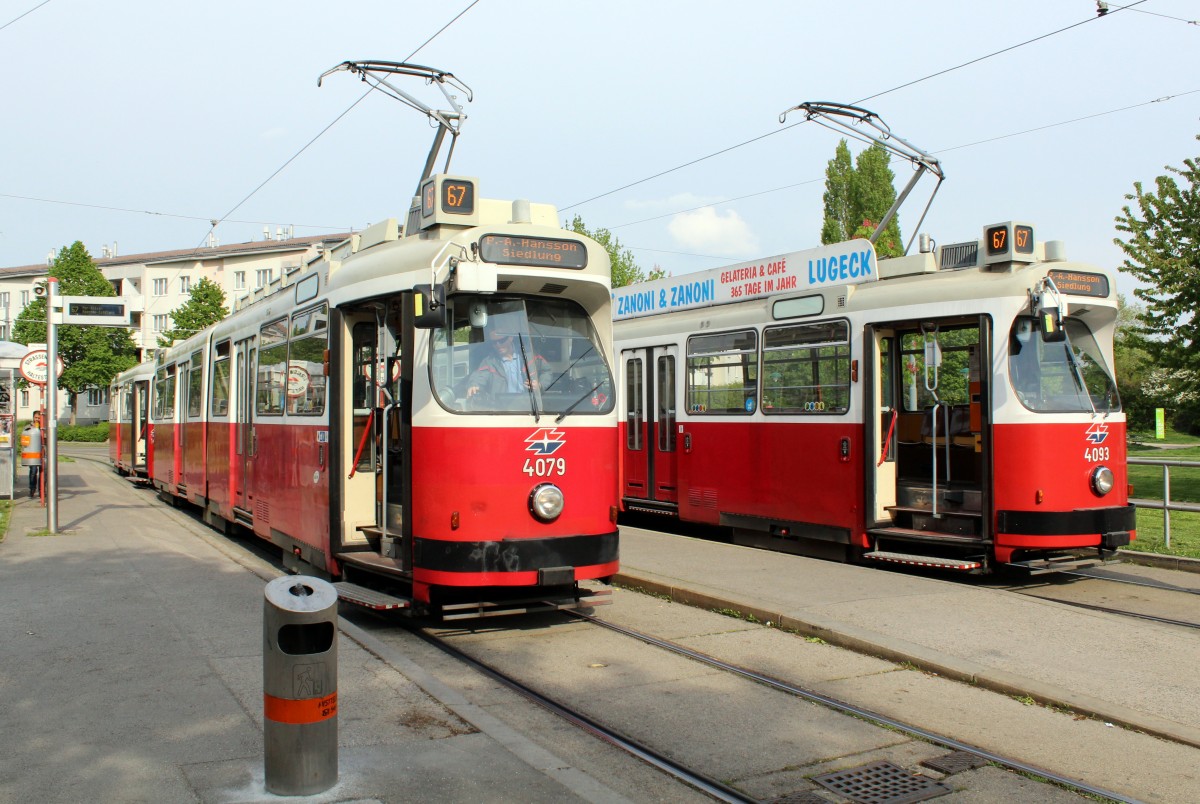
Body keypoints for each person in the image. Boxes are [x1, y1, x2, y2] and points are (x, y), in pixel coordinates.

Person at [466, 329, 552, 398]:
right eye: (494, 343)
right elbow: (479, 376)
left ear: (510, 338)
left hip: (530, 406)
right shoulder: (489, 362)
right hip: (502, 409)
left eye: (501, 341)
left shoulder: (531, 356)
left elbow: (547, 371)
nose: (498, 345)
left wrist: (540, 385)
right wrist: (474, 386)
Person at [21, 411, 43, 499]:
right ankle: (32, 489)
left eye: (39, 418)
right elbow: (24, 439)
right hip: (32, 454)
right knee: (33, 471)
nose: (37, 419)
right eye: (36, 418)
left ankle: (41, 490)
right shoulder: (28, 427)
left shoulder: (43, 427)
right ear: (33, 418)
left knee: (43, 472)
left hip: (41, 453)